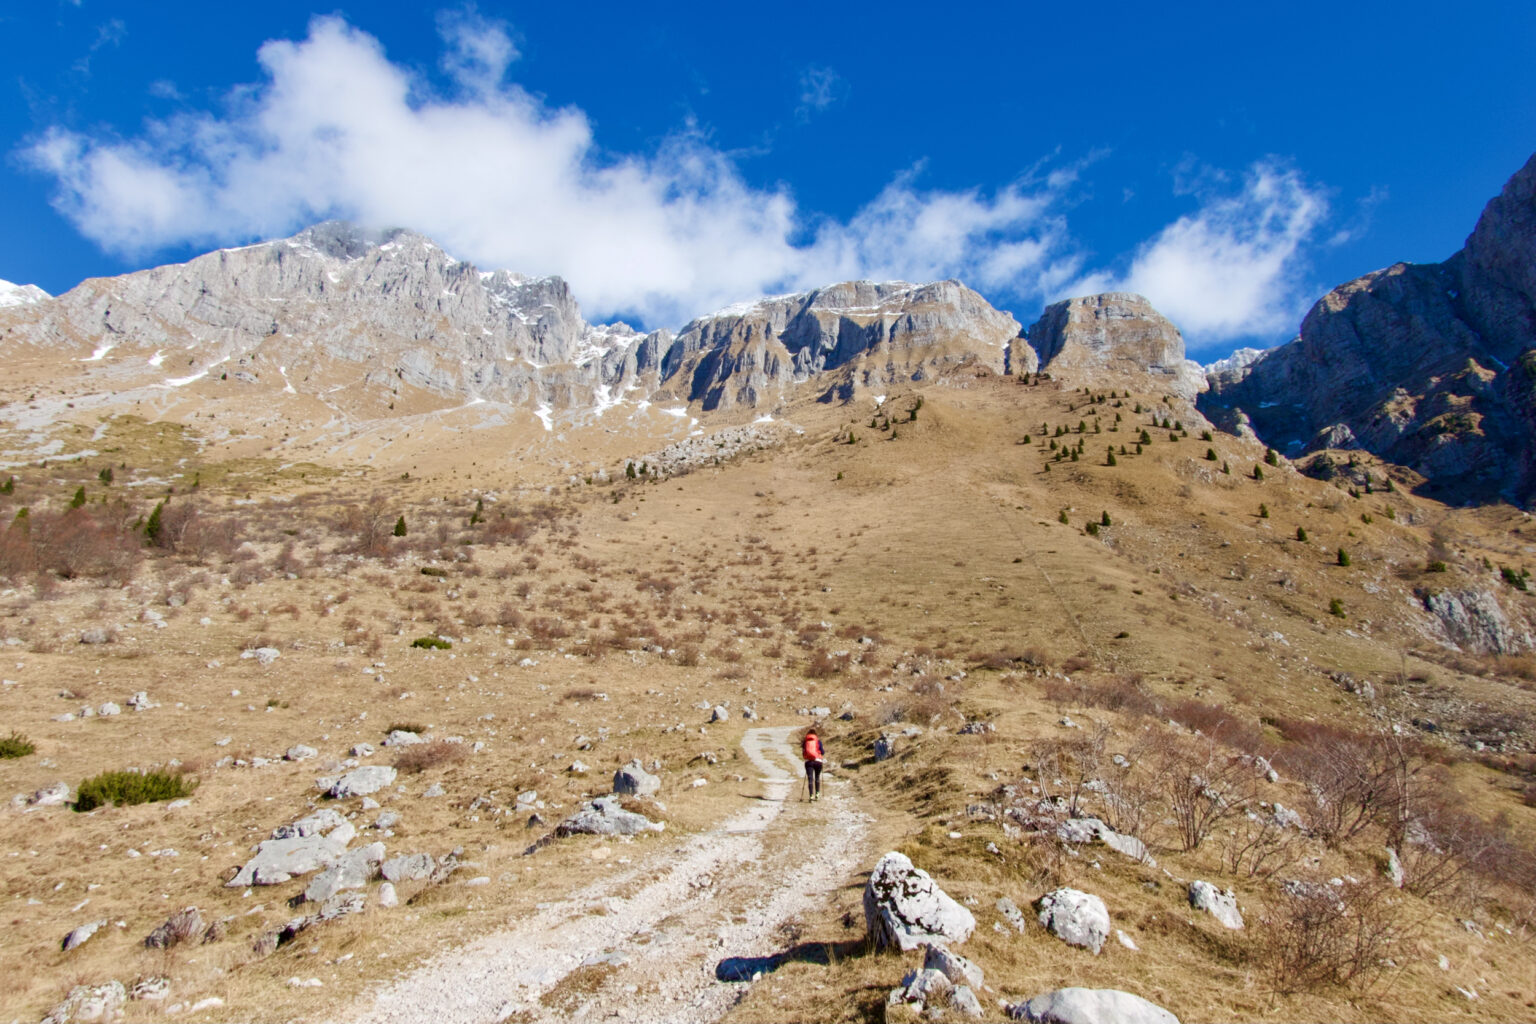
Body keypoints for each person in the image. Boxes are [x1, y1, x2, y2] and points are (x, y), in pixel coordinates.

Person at [802, 726, 825, 801]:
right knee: (817, 777)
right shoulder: (818, 741)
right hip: (818, 762)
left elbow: (804, 752)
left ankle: (811, 795)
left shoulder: (806, 742)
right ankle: (817, 794)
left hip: (809, 762)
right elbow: (822, 752)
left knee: (810, 779)